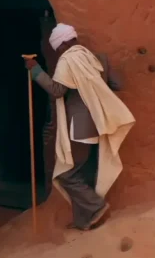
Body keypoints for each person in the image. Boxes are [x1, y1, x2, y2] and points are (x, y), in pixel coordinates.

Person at [24, 24, 135, 231]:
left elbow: (57, 91)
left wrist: (36, 70)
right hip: (99, 124)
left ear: (64, 43)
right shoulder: (98, 59)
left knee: (66, 175)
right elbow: (117, 84)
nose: (58, 52)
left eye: (57, 48)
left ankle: (97, 206)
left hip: (80, 127)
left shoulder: (68, 61)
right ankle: (84, 221)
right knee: (84, 171)